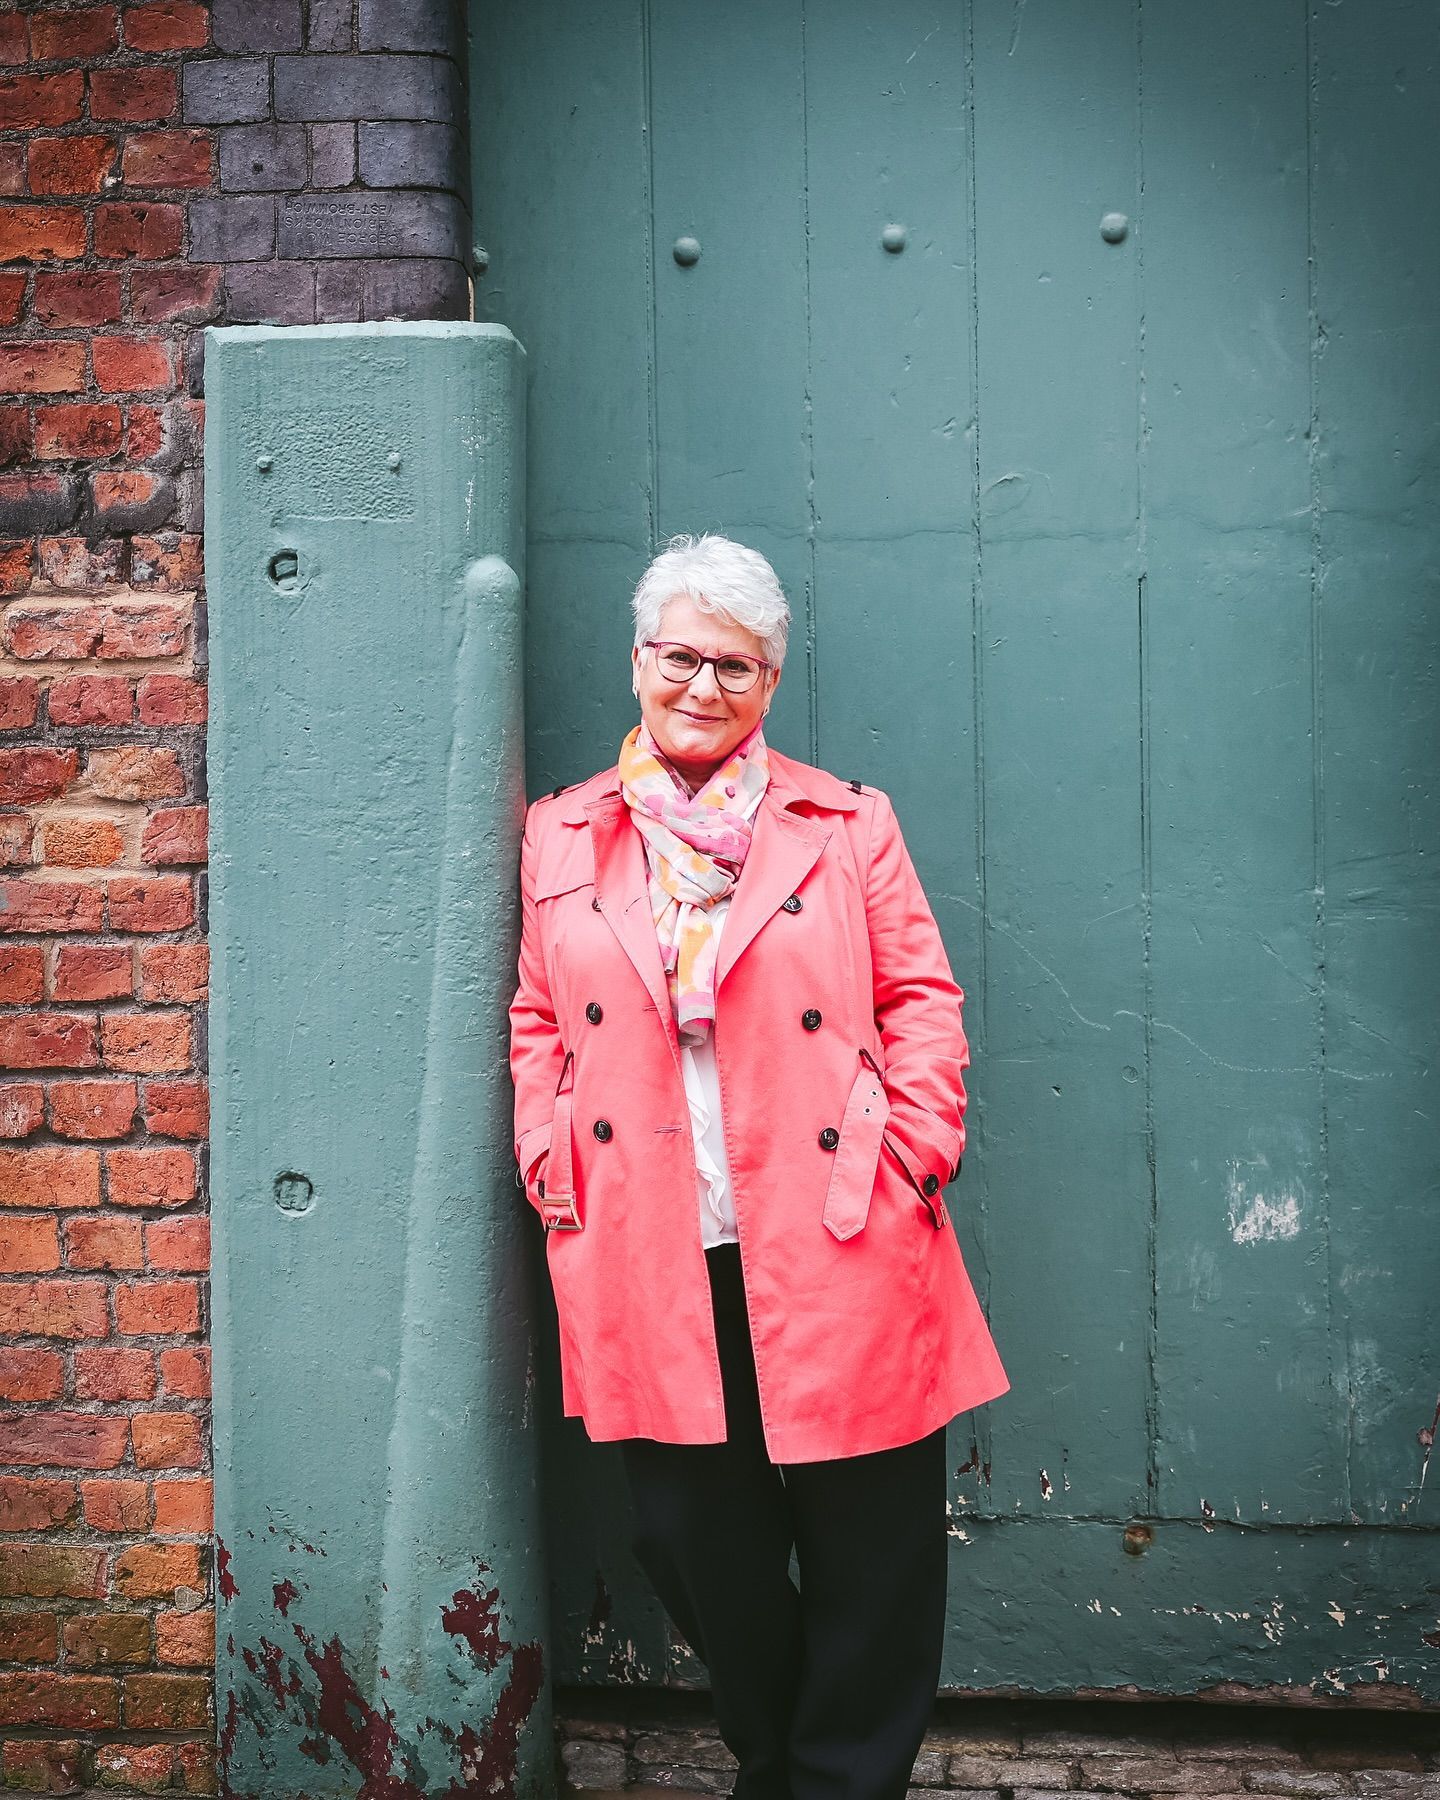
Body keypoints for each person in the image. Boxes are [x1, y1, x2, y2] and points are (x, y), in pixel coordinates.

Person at [508, 532, 1010, 1800]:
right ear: (638, 662)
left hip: (837, 1223)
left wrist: (914, 1154)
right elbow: (537, 1015)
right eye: (681, 656)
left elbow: (921, 999)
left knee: (872, 1550)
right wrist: (547, 1149)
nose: (704, 685)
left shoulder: (844, 823)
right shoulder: (563, 832)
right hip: (647, 1232)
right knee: (693, 1541)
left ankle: (836, 1785)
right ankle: (781, 1760)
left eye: (735, 665)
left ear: (770, 682)